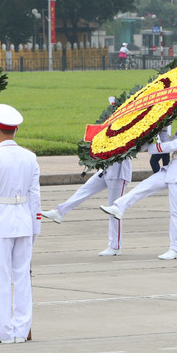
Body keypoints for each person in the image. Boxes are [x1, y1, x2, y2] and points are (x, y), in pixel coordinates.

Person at [99, 97, 177, 260]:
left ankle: (175, 249)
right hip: (172, 168)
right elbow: (168, 142)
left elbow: (173, 146)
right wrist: (160, 131)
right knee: (144, 186)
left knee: (176, 212)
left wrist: (150, 148)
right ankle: (119, 207)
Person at [0, 103, 41, 344]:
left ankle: (3, 332)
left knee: (1, 278)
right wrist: (36, 227)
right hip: (24, 221)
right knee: (23, 277)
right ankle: (22, 330)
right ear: (15, 130)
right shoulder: (30, 157)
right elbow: (35, 197)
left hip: (0, 225)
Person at [41, 98, 133, 257]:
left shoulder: (129, 128)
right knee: (84, 190)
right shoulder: (110, 127)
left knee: (114, 208)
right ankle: (59, 212)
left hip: (118, 173)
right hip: (106, 170)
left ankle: (115, 245)